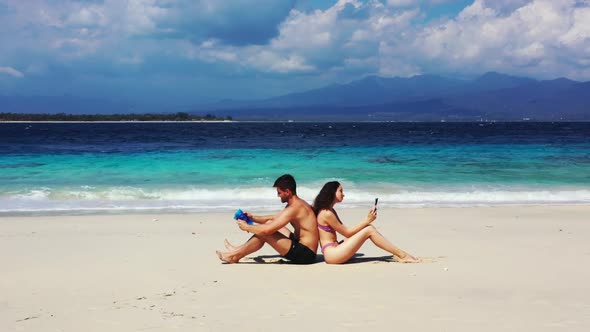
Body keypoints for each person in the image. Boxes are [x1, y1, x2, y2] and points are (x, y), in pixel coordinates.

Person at [216, 174, 319, 264]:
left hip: (305, 255)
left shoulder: (294, 208)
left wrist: (247, 227)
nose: (278, 195)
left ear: (287, 192)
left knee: (266, 233)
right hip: (300, 244)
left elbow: (267, 230)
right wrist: (253, 218)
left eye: (279, 192)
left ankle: (234, 256)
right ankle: (237, 250)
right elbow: (275, 218)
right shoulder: (296, 204)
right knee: (270, 223)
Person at [312, 181, 420, 264]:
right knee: (369, 229)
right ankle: (402, 255)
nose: (343, 194)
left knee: (367, 228)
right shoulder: (326, 213)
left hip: (334, 250)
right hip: (333, 255)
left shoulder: (329, 210)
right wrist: (367, 220)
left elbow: (347, 231)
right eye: (340, 191)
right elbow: (347, 233)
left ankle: (400, 254)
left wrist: (367, 222)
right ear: (332, 193)